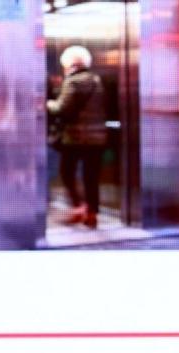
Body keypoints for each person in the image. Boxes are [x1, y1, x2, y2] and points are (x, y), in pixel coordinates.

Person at [46, 46, 106, 229]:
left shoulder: (72, 82)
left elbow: (62, 109)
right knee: (91, 176)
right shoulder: (96, 80)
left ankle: (79, 207)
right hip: (97, 137)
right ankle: (92, 213)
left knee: (67, 172)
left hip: (75, 138)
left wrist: (46, 103)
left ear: (70, 64)